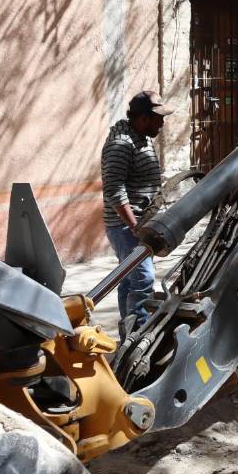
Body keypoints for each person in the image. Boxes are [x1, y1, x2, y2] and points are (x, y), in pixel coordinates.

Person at [102, 90, 173, 338]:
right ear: (142, 118)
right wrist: (134, 226)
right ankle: (140, 336)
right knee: (143, 280)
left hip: (138, 225)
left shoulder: (141, 138)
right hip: (126, 228)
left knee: (130, 280)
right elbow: (113, 188)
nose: (162, 123)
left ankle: (128, 333)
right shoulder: (122, 144)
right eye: (158, 118)